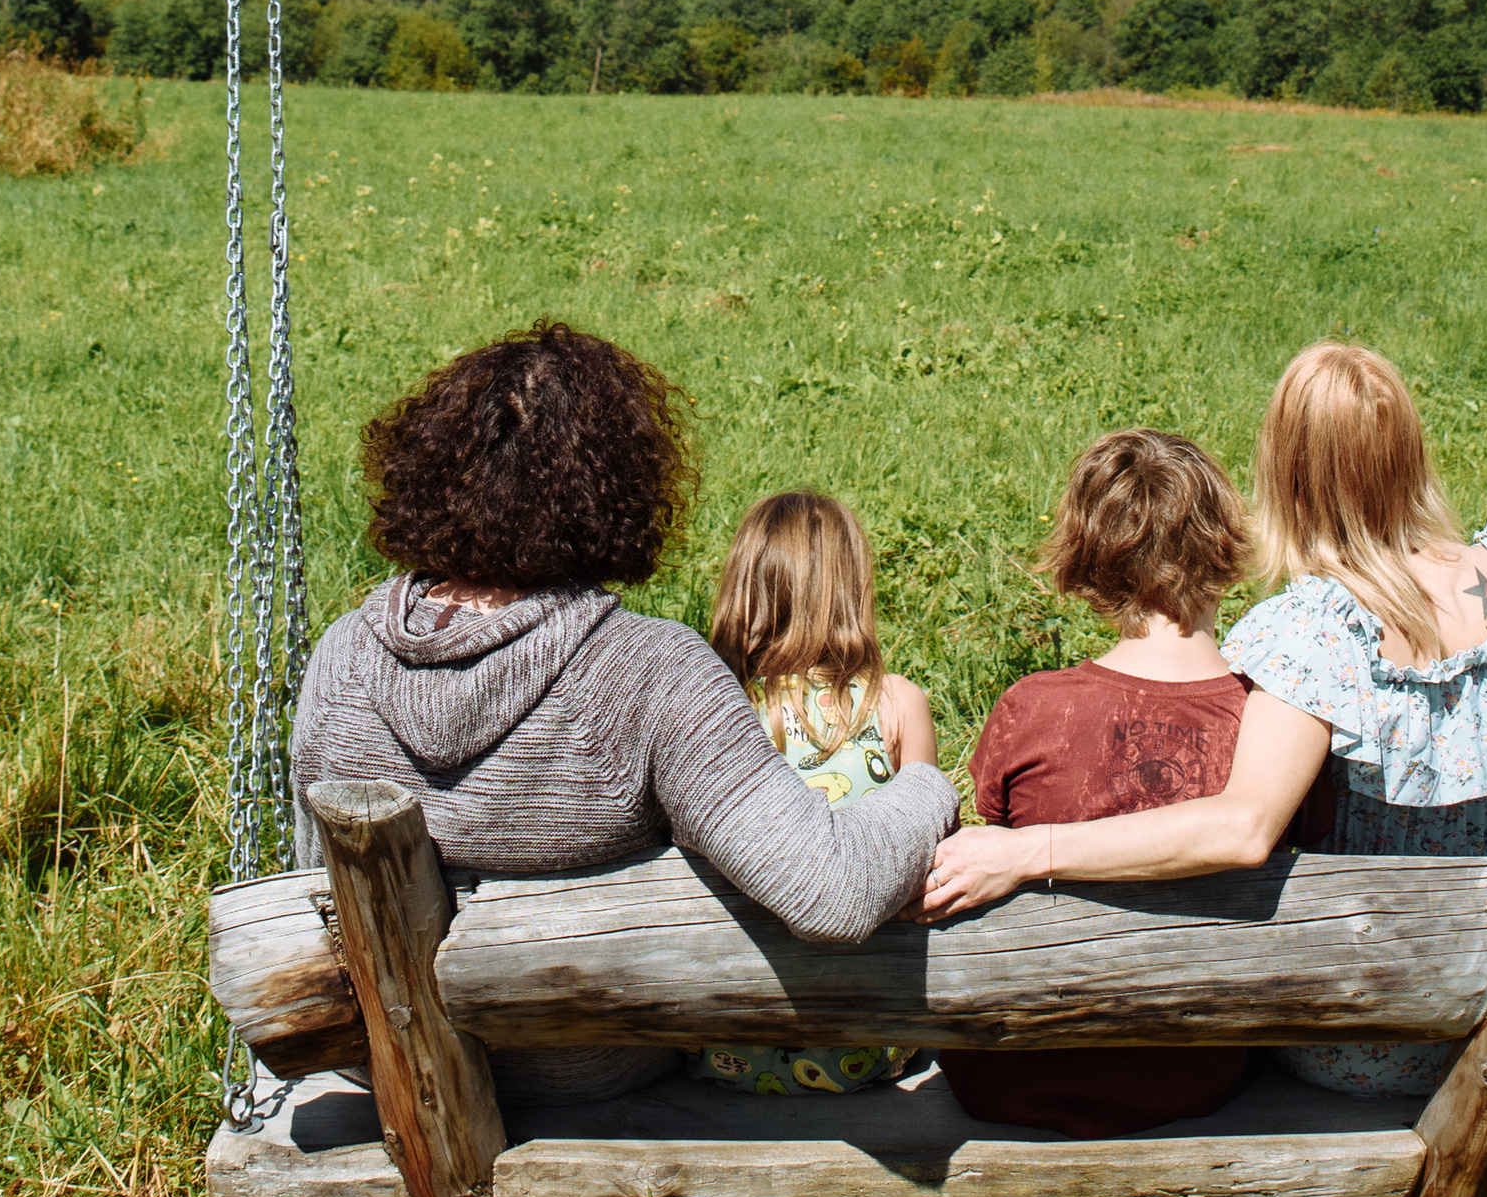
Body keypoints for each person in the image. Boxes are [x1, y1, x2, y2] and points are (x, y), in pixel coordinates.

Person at [921, 344, 1487, 1102]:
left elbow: (1244, 827)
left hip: (1359, 1024)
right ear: (1411, 454)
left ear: (1287, 472)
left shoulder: (1313, 632)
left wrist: (1032, 850)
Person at [289, 326, 956, 1112]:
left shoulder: (340, 661)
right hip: (590, 1083)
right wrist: (926, 787)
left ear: (430, 473)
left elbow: (312, 893)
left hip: (393, 1074)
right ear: (616, 487)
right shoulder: (645, 672)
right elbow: (833, 889)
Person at [938, 428, 1315, 1140]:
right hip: (1190, 1074)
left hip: (1013, 1068)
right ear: (1224, 546)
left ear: (1090, 556)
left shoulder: (1031, 710)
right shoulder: (1276, 728)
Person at [687, 489, 938, 1099]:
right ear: (852, 588)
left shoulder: (722, 707)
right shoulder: (895, 703)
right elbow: (930, 845)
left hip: (727, 1041)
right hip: (870, 1044)